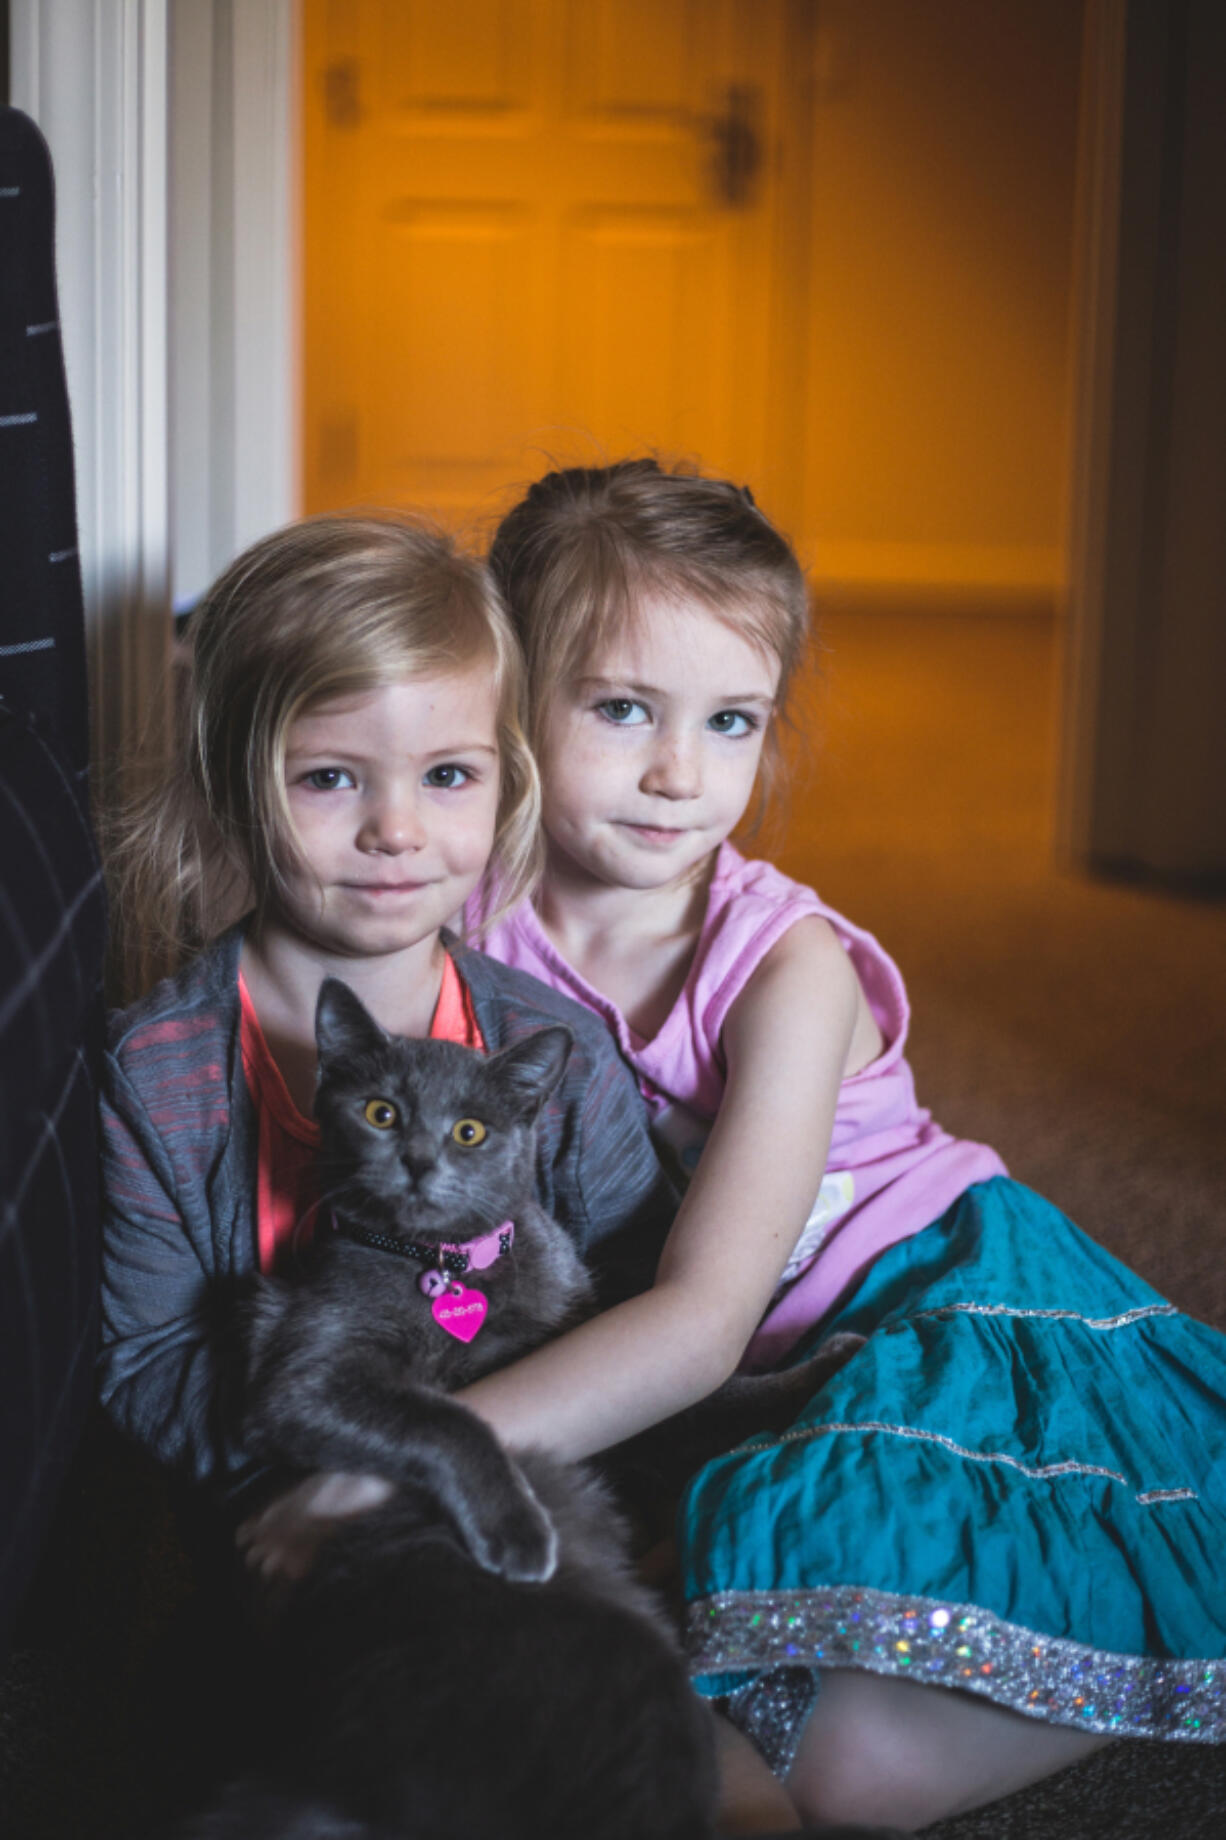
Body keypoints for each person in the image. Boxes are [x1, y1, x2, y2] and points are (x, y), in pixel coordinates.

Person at [457, 459, 1226, 1833]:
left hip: (930, 1317)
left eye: (732, 720)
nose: (679, 775)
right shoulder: (470, 914)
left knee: (838, 1769)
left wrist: (424, 1448)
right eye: (621, 707)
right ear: (508, 695)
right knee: (624, 1679)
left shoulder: (784, 968)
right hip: (743, 1378)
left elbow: (700, 1324)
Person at [97, 515, 676, 1542]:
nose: (395, 830)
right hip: (295, 1517)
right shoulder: (156, 1074)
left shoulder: (555, 1047)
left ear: (505, 782)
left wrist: (483, 1444)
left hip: (545, 1475)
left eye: (446, 775)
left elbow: (636, 1306)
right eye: (328, 777)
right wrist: (354, 1462)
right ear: (234, 784)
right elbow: (147, 1366)